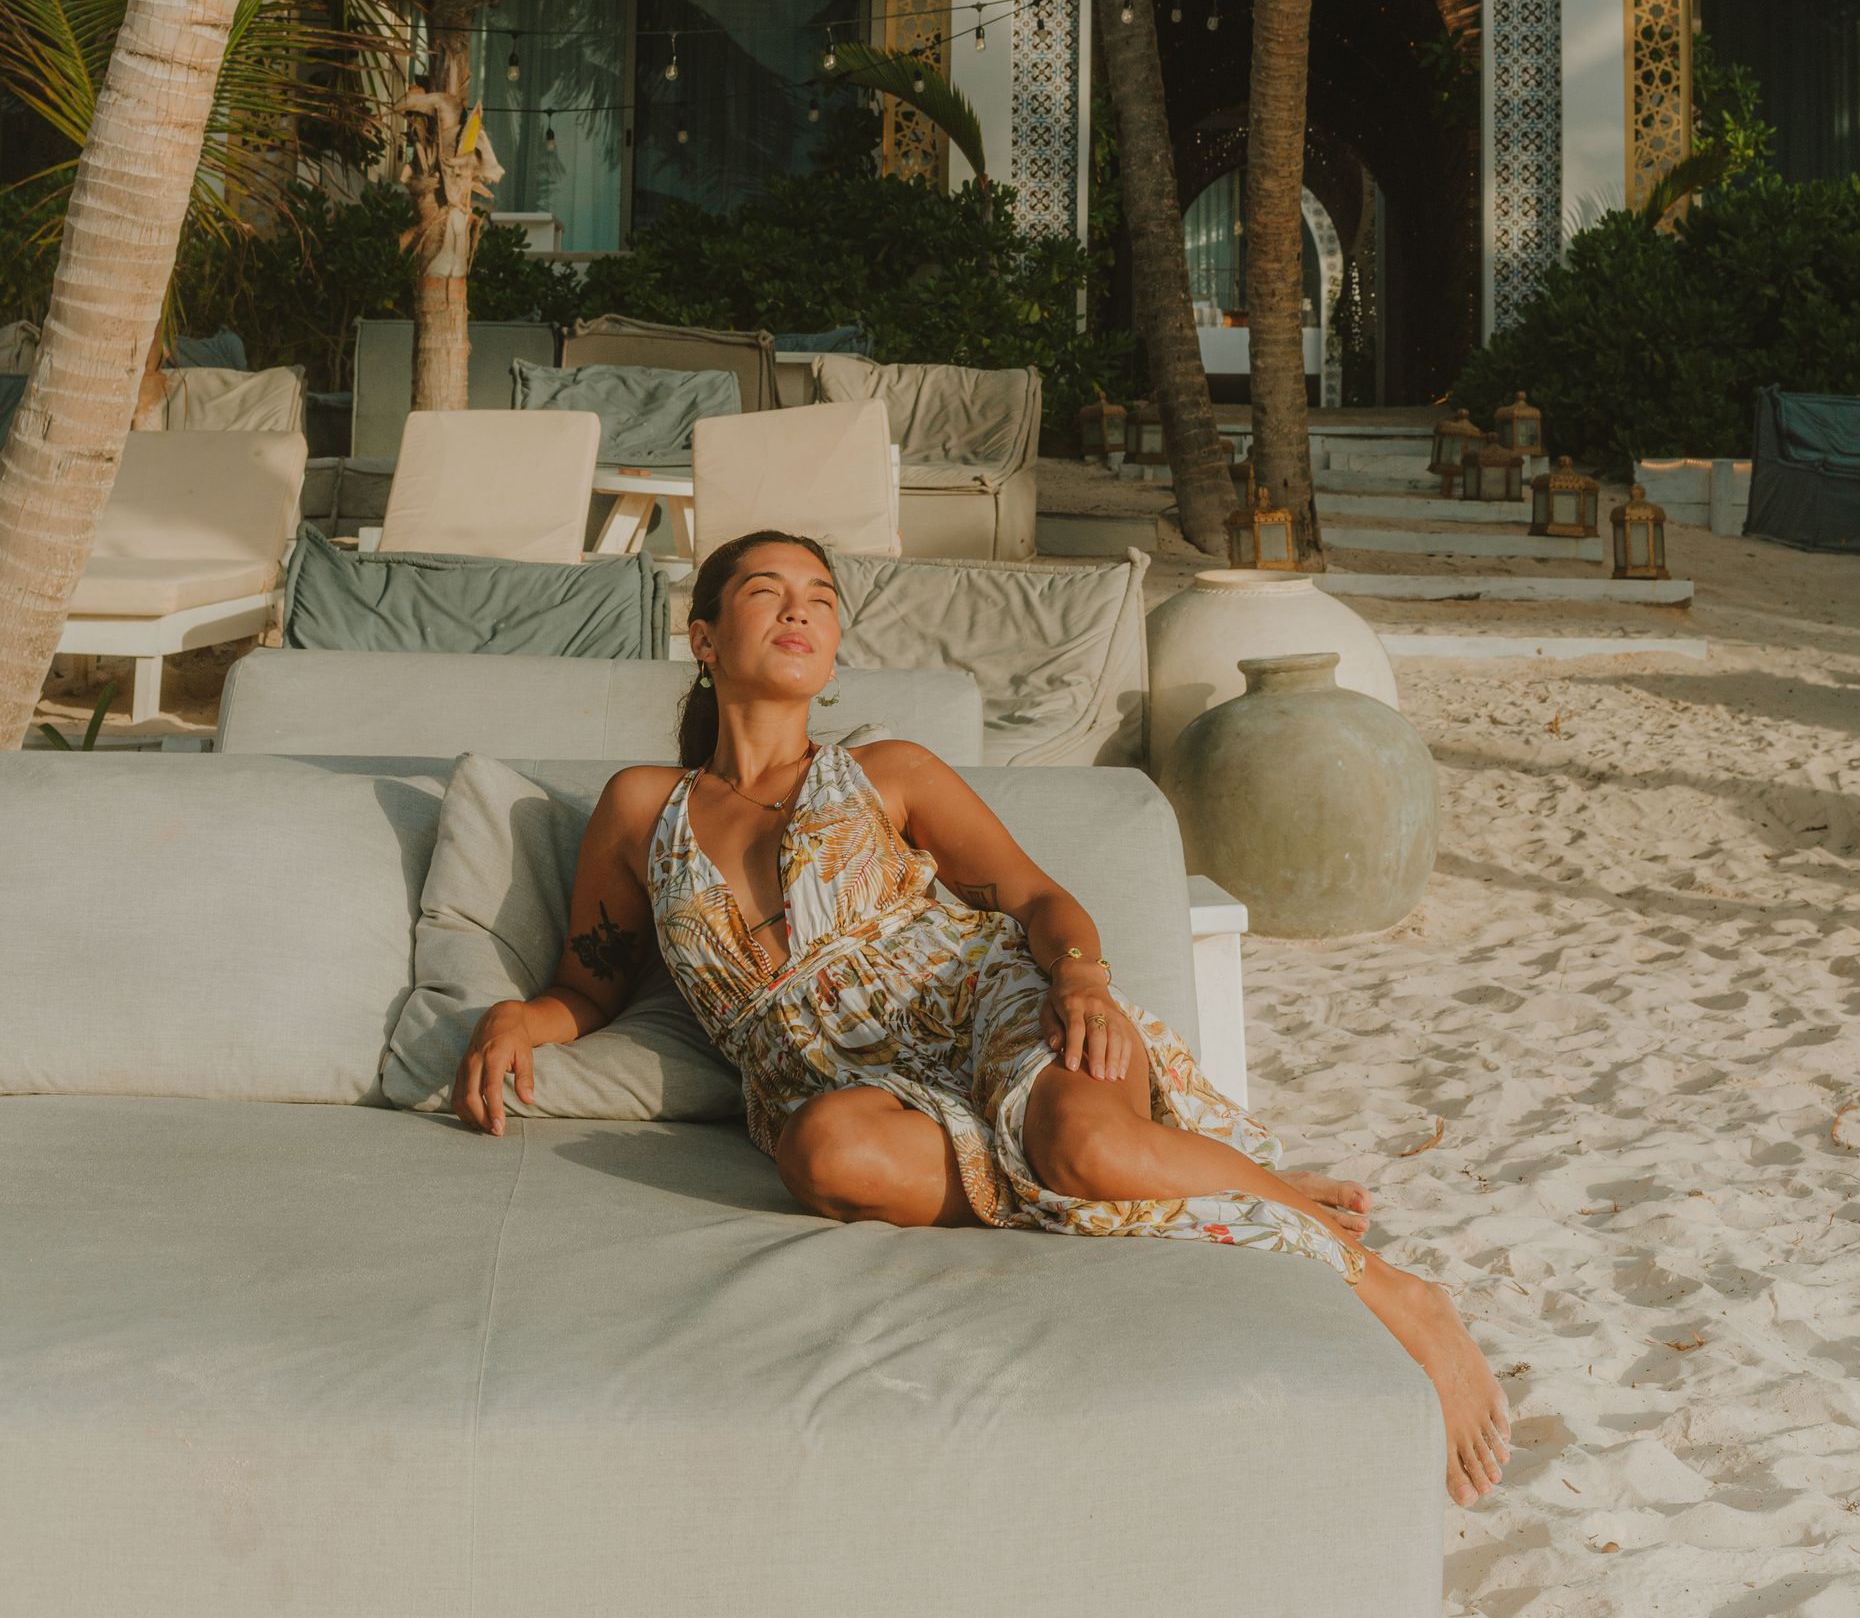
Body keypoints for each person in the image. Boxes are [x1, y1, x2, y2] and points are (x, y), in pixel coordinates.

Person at [458, 529, 1510, 1504]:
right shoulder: (647, 808)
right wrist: (520, 1018)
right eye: (767, 593)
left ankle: (1393, 1292)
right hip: (841, 1087)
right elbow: (590, 984)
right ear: (702, 638)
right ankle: (1189, 1170)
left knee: (1080, 1140)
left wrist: (1084, 983)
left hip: (982, 1007)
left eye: (820, 599)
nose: (801, 612)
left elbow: (1038, 898)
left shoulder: (887, 773)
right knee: (826, 1156)